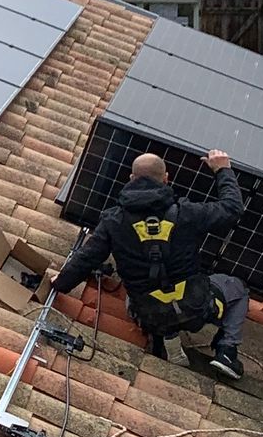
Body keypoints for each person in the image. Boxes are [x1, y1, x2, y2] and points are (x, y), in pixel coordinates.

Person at [48, 148, 251, 381]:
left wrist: (60, 283)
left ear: (131, 179)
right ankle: (226, 352)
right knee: (238, 288)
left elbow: (87, 258)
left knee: (136, 292)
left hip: (146, 315)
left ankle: (168, 333)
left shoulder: (113, 221)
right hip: (198, 308)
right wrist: (222, 170)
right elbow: (232, 209)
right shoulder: (188, 213)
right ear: (166, 178)